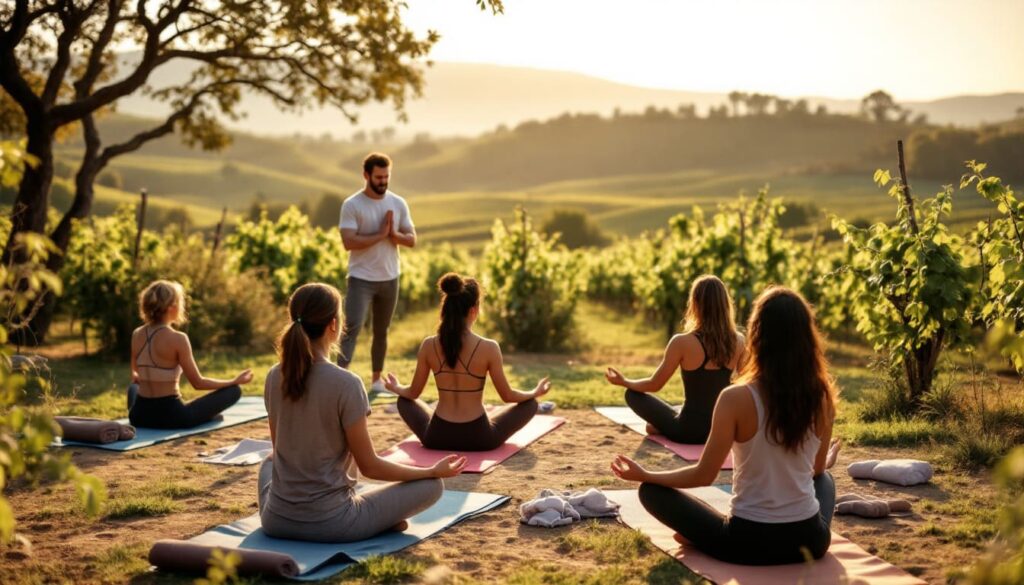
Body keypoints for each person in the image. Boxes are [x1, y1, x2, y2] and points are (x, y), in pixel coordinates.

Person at [610, 286, 841, 566]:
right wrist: (825, 461)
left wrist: (646, 474)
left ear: (757, 335)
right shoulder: (823, 396)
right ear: (808, 337)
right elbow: (816, 470)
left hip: (746, 543)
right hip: (810, 541)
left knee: (650, 491)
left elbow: (704, 475)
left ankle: (700, 535)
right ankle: (704, 533)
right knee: (825, 479)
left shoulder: (735, 398)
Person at [259, 283, 465, 542]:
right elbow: (370, 466)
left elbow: (280, 450)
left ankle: (378, 520)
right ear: (334, 325)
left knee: (269, 461)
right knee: (433, 486)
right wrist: (431, 471)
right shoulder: (346, 383)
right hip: (334, 524)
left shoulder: (273, 375)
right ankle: (379, 521)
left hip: (275, 521)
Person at [384, 273, 551, 451]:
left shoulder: (428, 345)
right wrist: (534, 392)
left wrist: (396, 388)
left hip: (436, 437)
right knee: (531, 404)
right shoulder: (489, 347)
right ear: (474, 310)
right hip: (480, 438)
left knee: (404, 400)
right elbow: (507, 396)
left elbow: (412, 393)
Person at [605, 275, 746, 444]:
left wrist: (624, 381)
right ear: (725, 304)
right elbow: (744, 383)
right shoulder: (739, 341)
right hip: (721, 430)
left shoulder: (682, 342)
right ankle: (663, 423)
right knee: (668, 417)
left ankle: (662, 425)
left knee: (632, 395)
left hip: (687, 432)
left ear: (695, 304)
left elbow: (655, 384)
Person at [338, 152, 416, 394]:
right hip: (361, 279)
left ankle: (375, 380)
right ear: (366, 175)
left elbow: (411, 239)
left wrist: (394, 236)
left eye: (386, 177)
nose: (383, 181)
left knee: (381, 332)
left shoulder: (398, 203)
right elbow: (349, 241)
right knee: (351, 327)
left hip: (390, 278)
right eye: (378, 177)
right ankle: (340, 379)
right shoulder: (352, 205)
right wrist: (381, 235)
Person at [128, 280, 249, 429]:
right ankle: (206, 417)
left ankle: (205, 416)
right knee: (234, 391)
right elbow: (198, 383)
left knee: (133, 388)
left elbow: (135, 376)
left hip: (139, 416)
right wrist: (233, 381)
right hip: (173, 417)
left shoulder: (136, 334)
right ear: (172, 307)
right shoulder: (178, 338)